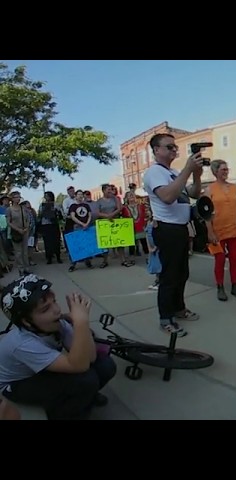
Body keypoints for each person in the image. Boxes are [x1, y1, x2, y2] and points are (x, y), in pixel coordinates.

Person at [0, 274, 117, 420]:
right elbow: (79, 366)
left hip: (41, 368)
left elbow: (91, 357)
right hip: (18, 382)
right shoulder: (22, 344)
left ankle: (85, 397)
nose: (56, 310)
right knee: (86, 380)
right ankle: (62, 412)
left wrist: (81, 326)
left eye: (54, 301)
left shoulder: (57, 323)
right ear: (26, 321)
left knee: (105, 365)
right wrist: (81, 322)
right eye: (45, 309)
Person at [143, 133, 204, 337]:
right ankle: (165, 318)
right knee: (169, 276)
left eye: (175, 147)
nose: (174, 150)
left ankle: (178, 308)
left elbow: (194, 193)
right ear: (156, 150)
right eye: (169, 147)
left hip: (180, 228)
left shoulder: (174, 172)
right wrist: (187, 169)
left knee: (182, 273)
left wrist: (196, 173)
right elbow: (168, 197)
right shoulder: (154, 173)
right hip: (167, 229)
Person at [206, 159, 236, 302]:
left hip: (235, 229)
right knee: (220, 259)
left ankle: (235, 285)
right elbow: (205, 212)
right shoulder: (210, 189)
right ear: (215, 171)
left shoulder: (235, 187)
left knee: (235, 260)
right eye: (223, 169)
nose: (226, 172)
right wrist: (210, 232)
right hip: (218, 230)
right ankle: (220, 287)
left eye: (227, 169)